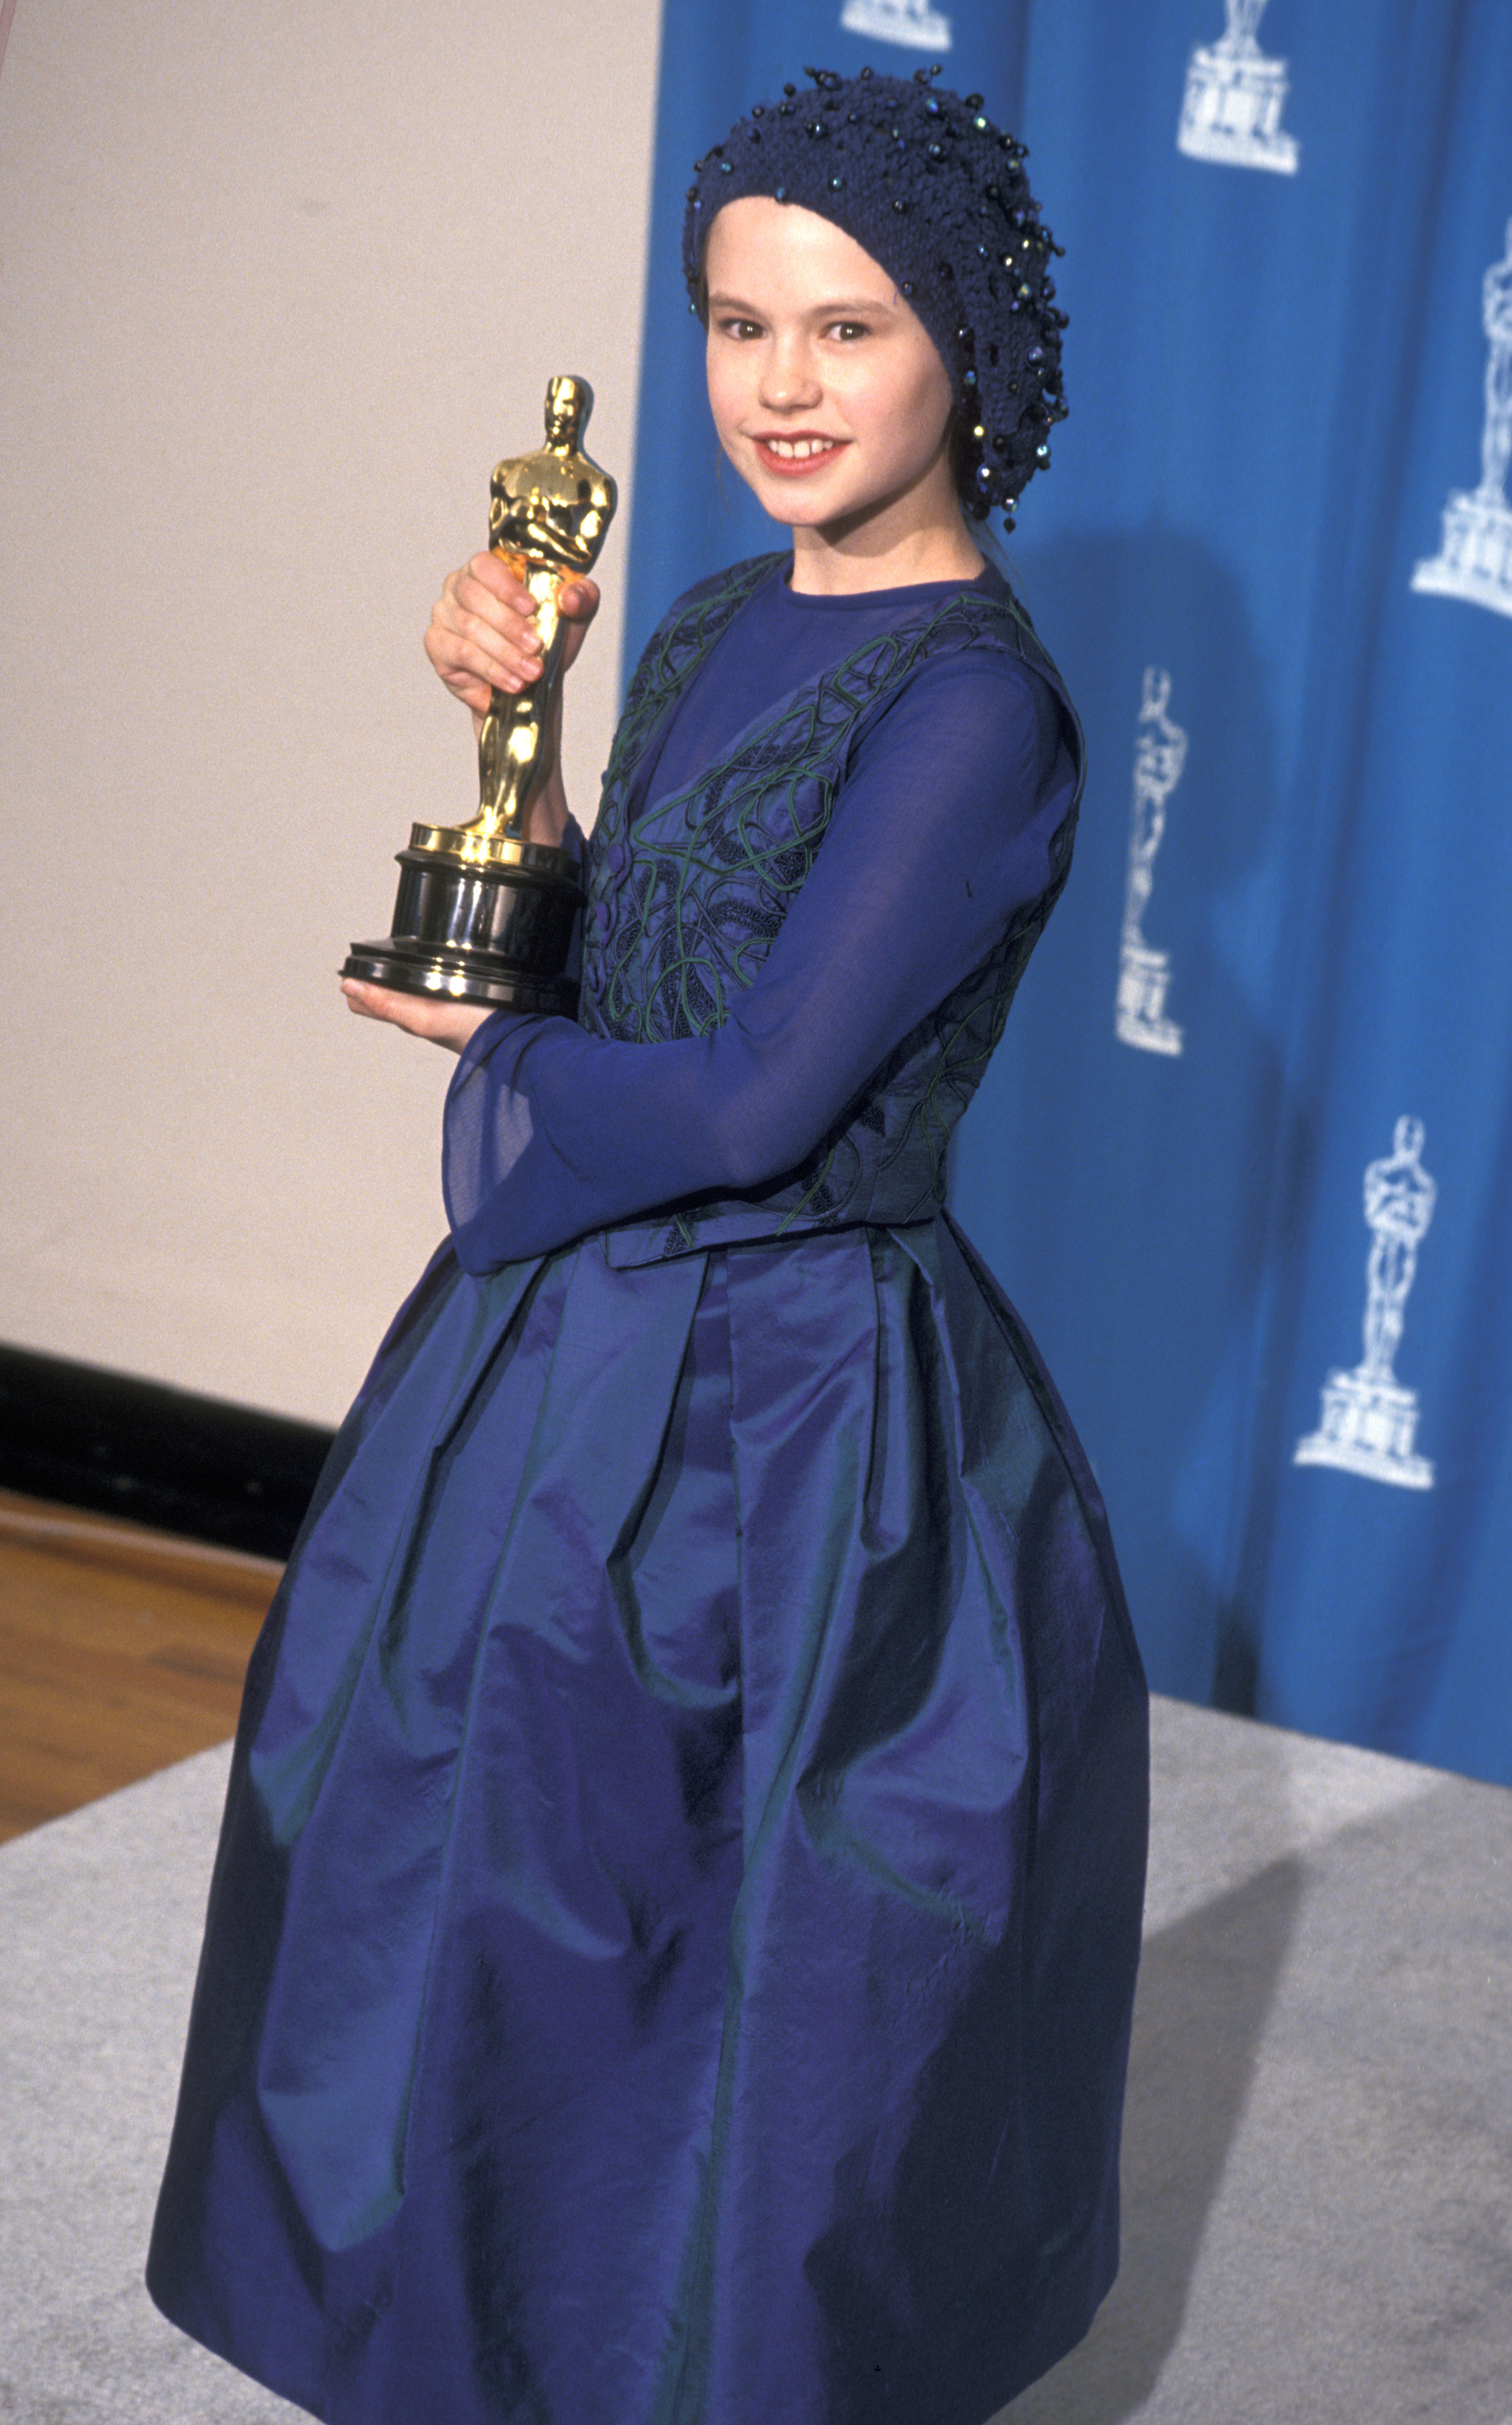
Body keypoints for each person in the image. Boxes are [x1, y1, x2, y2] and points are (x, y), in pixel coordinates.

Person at [147, 64, 1149, 2425]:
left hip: (796, 1411)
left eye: (849, 329)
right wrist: (530, 752)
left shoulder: (977, 710)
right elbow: (656, 955)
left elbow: (759, 1095)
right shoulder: (703, 617)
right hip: (562, 1356)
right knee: (461, 1869)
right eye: (737, 324)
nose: (781, 387)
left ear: (968, 357)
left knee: (732, 1951)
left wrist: (479, 1060)